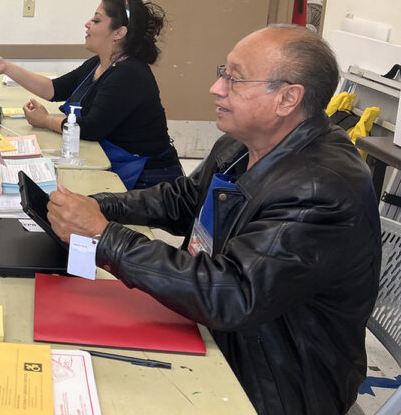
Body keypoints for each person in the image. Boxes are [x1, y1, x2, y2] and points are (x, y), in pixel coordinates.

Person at [47, 25, 380, 415]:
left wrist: (104, 236)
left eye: (234, 80)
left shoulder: (320, 188)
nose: (216, 88)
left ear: (288, 98)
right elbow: (182, 200)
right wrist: (97, 206)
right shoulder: (241, 143)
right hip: (223, 333)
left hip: (276, 379)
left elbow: (232, 292)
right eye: (223, 73)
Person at [0, 0, 182, 188]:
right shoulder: (99, 64)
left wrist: (45, 121)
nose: (87, 24)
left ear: (119, 32)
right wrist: (7, 68)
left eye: (97, 20)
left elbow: (91, 128)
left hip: (148, 178)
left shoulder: (129, 74)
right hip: (116, 162)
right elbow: (54, 89)